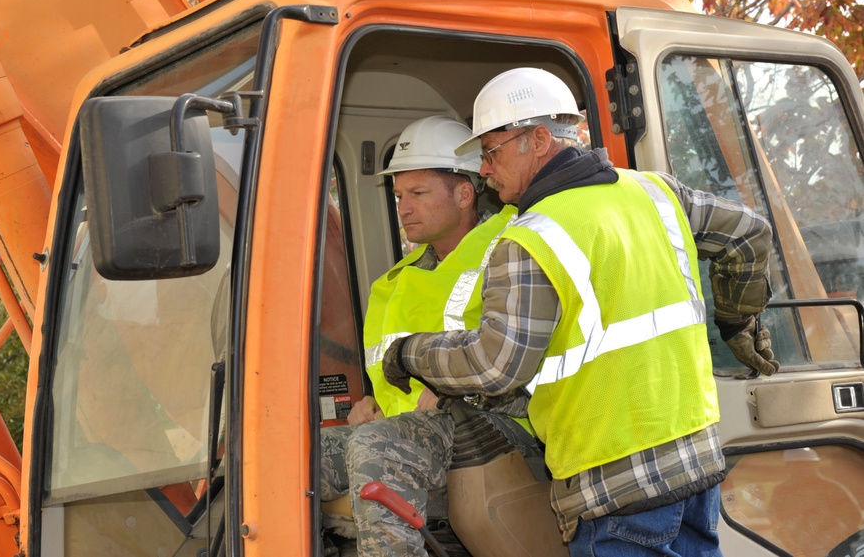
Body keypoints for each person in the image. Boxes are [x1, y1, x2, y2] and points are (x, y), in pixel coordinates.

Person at [382, 68, 779, 556]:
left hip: (615, 489)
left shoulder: (531, 238)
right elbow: (749, 233)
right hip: (695, 466)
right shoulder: (654, 192)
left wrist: (407, 354)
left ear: (539, 139)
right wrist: (739, 319)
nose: (484, 170)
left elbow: (493, 366)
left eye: (491, 152)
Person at [319, 115, 540, 556]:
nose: (403, 208)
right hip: (414, 432)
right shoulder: (393, 284)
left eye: (417, 194)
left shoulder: (513, 249)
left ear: (463, 193)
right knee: (299, 454)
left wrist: (459, 399)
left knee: (376, 447)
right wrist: (369, 406)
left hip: (506, 428)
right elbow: (388, 378)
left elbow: (537, 367)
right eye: (399, 195)